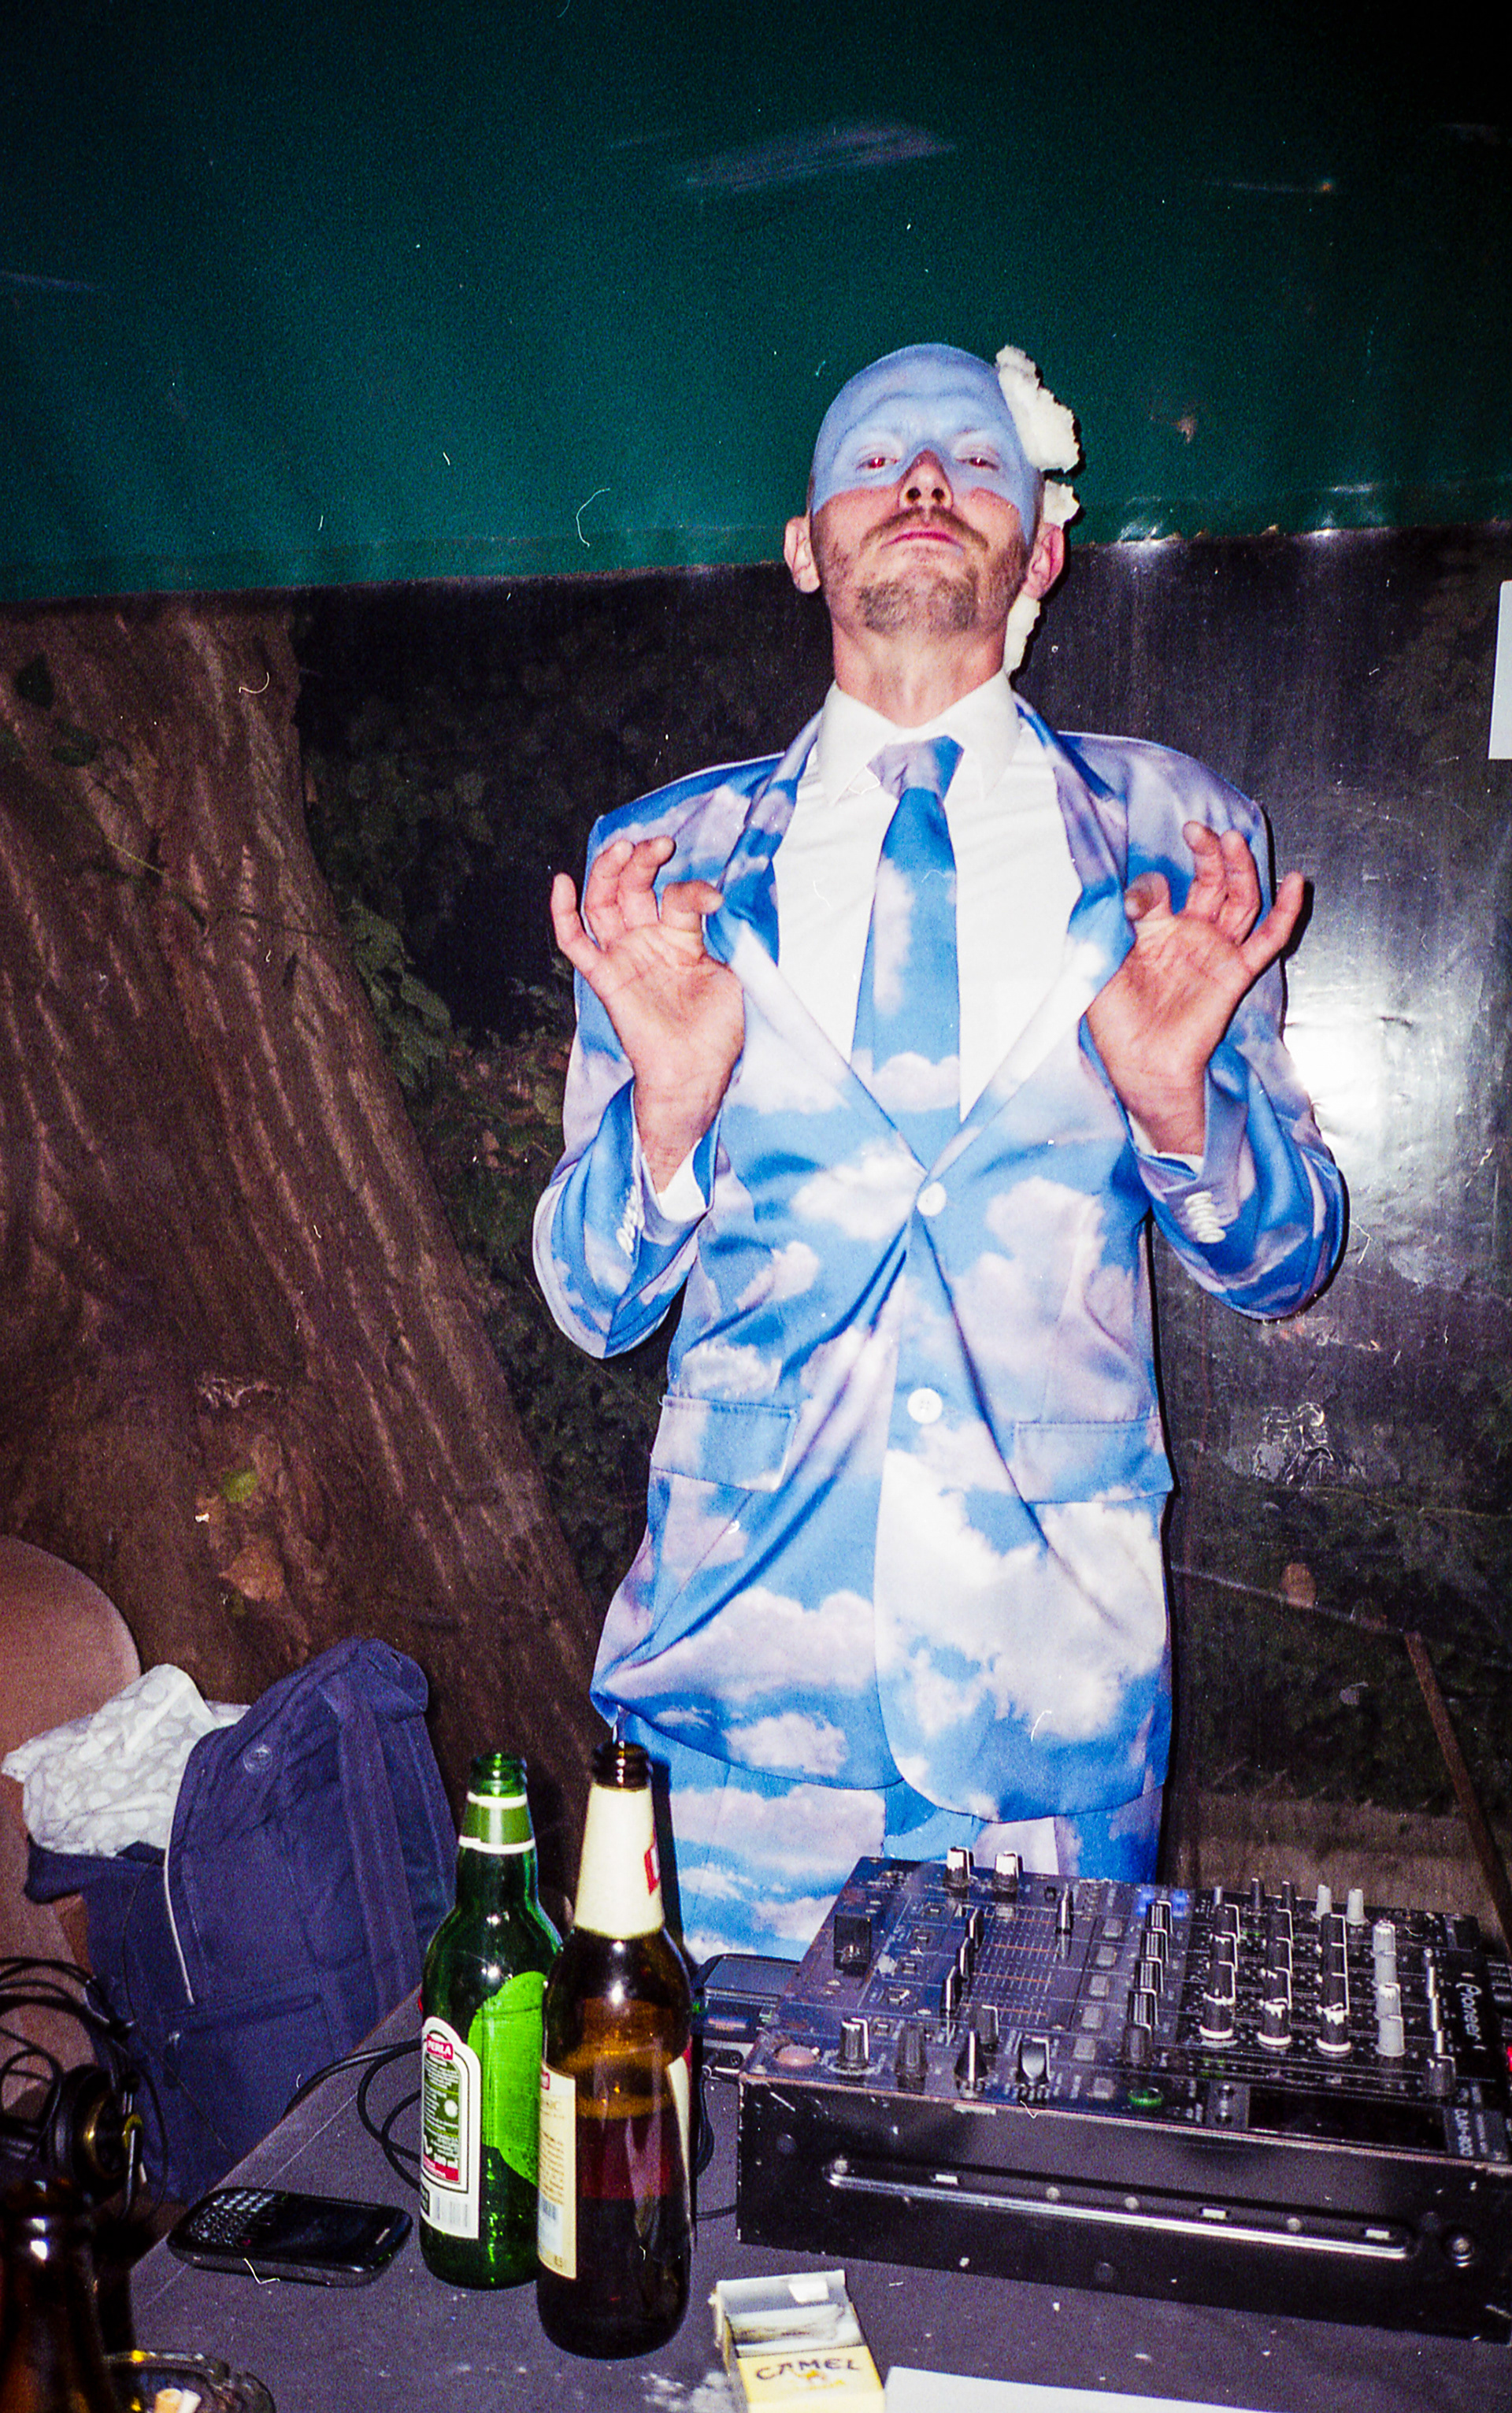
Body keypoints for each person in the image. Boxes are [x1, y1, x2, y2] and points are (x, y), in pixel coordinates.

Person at [533, 341, 1345, 1962]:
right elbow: (591, 1297)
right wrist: (668, 1111)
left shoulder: (1177, 837)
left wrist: (1181, 1109)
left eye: (975, 462)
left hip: (1053, 1726)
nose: (921, 479)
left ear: (1040, 550)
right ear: (804, 545)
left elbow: (1290, 1259)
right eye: (875, 459)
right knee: (718, 2132)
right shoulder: (665, 862)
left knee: (1049, 2134)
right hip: (736, 1718)